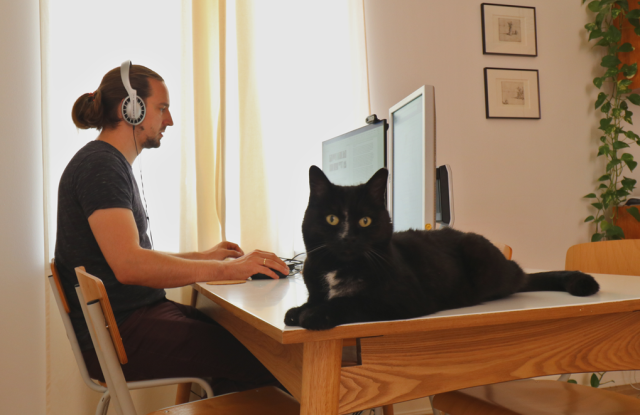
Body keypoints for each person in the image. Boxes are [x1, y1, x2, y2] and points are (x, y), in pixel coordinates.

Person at [55, 63, 290, 395]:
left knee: (246, 339)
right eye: (162, 108)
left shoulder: (106, 162)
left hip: (128, 324)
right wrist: (229, 270)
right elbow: (130, 265)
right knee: (273, 355)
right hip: (123, 336)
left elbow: (127, 257)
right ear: (131, 109)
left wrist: (204, 258)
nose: (170, 120)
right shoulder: (101, 166)